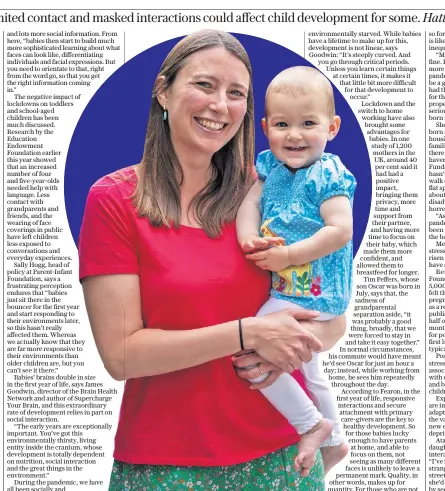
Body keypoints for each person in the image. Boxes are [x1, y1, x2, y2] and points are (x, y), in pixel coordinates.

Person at [79, 30, 346, 490]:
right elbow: (121, 355)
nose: (220, 105)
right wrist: (250, 333)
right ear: (163, 90)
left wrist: (303, 337)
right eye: (204, 85)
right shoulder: (114, 201)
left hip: (283, 457)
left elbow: (329, 313)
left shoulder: (269, 192)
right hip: (167, 463)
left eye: (236, 93)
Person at [236, 66, 356, 476]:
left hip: (315, 292)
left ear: (332, 126)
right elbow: (250, 205)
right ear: (267, 127)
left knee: (250, 349)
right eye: (283, 124)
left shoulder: (328, 174)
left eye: (308, 123)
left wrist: (288, 257)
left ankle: (311, 424)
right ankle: (335, 440)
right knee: (310, 369)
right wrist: (248, 236)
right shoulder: (268, 168)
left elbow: (340, 230)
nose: (295, 135)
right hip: (293, 290)